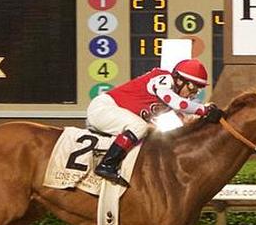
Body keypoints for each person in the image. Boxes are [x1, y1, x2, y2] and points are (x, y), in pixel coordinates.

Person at [86, 58, 222, 184]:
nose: (193, 93)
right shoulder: (165, 79)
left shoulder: (171, 101)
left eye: (197, 90)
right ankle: (106, 165)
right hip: (103, 108)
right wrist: (203, 110)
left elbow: (185, 122)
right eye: (192, 87)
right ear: (180, 80)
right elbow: (176, 102)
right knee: (140, 126)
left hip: (111, 114)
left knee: (155, 135)